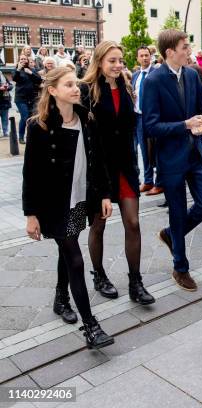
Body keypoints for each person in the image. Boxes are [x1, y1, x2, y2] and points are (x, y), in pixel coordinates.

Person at [23, 66, 114, 348]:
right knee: (75, 258)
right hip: (54, 206)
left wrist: (105, 195)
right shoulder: (38, 126)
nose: (76, 89)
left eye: (76, 84)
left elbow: (98, 161)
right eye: (69, 85)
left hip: (81, 201)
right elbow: (31, 173)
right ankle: (91, 327)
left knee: (68, 249)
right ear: (52, 91)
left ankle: (61, 298)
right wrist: (31, 214)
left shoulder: (86, 119)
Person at [81, 41, 155, 305]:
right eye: (112, 60)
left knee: (133, 223)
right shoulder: (86, 91)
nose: (117, 65)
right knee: (98, 225)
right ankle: (99, 275)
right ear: (100, 61)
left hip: (125, 166)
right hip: (99, 169)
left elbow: (129, 129)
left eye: (120, 61)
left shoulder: (125, 87)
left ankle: (136, 282)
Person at [143, 29, 202, 292]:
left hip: (195, 154)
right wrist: (184, 125)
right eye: (185, 46)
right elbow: (150, 126)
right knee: (176, 211)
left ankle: (172, 234)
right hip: (171, 158)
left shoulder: (193, 74)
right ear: (170, 51)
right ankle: (180, 267)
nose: (189, 51)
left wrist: (201, 123)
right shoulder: (153, 80)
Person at [132, 45, 163, 196]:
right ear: (137, 58)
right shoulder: (135, 76)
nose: (144, 58)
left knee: (156, 150)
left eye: (146, 55)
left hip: (153, 118)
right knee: (144, 151)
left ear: (150, 57)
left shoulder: (157, 73)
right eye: (141, 55)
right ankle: (148, 180)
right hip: (138, 117)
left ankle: (159, 183)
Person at [14, 53, 42, 144]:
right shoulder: (16, 70)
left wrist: (30, 73)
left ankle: (30, 136)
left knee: (32, 118)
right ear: (19, 61)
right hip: (21, 99)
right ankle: (21, 137)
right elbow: (15, 79)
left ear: (27, 60)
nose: (23, 60)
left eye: (24, 59)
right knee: (25, 116)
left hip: (32, 98)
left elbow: (39, 80)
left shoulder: (32, 70)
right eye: (21, 59)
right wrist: (18, 69)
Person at [0, 71, 13, 138]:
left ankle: (5, 132)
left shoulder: (3, 75)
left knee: (5, 117)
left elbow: (11, 85)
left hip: (5, 100)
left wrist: (7, 87)